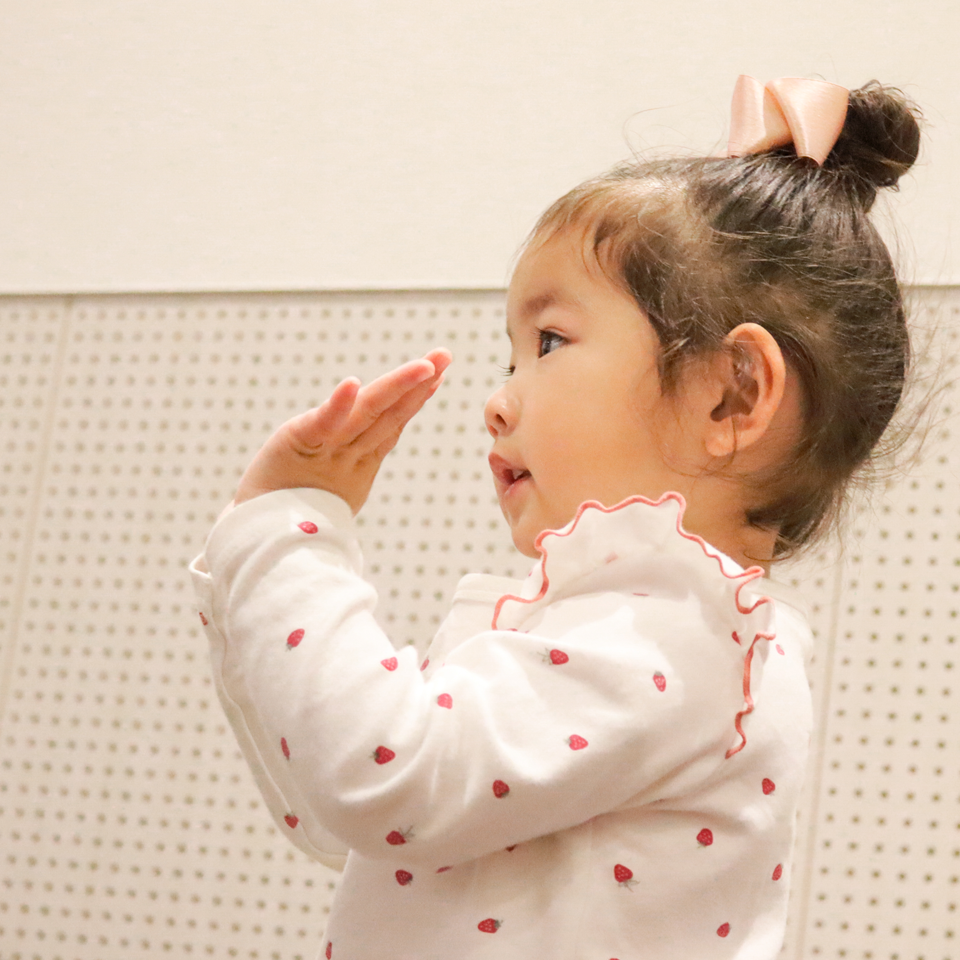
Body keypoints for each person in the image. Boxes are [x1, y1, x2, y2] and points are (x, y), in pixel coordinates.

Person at [190, 76, 921, 959]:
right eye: (511, 357)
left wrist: (281, 537)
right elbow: (337, 807)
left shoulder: (671, 641)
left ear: (731, 395)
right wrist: (255, 563)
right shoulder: (642, 628)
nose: (497, 401)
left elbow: (383, 777)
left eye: (548, 343)